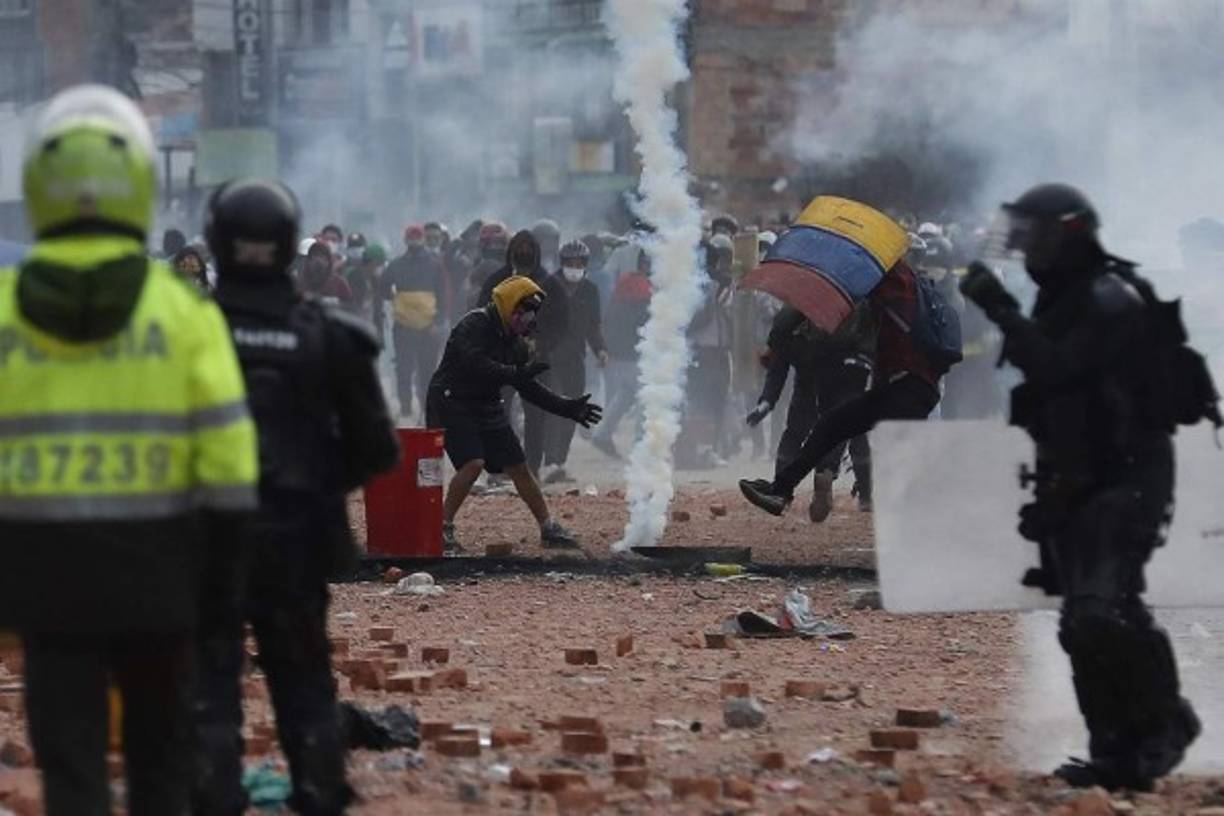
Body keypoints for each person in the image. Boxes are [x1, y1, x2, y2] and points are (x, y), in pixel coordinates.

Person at [0, 84, 258, 815]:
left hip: (42, 587)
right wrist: (222, 593)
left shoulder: (3, 312)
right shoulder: (182, 312)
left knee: (72, 766)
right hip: (161, 582)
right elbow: (231, 474)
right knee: (160, 764)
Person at [960, 183, 1202, 791]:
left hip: (1129, 474)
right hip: (1077, 476)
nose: (1027, 248)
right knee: (1081, 619)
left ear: (1069, 234)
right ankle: (1116, 752)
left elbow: (1058, 368)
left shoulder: (1108, 297)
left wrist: (1000, 309)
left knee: (1100, 611)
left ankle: (1167, 725)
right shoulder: (1064, 299)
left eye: (1037, 234)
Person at [194, 178, 400, 816]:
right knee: (306, 684)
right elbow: (378, 449)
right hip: (298, 543)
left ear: (217, 243)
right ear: (289, 245)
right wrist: (315, 485)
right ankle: (318, 796)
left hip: (206, 543)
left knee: (209, 688)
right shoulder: (330, 336)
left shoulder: (181, 334)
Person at [740, 258, 949, 514]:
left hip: (892, 385)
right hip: (919, 388)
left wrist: (779, 346)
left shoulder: (871, 292)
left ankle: (787, 489)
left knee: (832, 427)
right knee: (846, 428)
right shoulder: (921, 297)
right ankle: (860, 488)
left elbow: (784, 324)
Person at [428, 276, 600, 552]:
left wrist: (567, 407)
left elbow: (528, 387)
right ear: (507, 305)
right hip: (452, 402)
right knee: (473, 463)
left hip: (485, 404)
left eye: (530, 313)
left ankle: (548, 527)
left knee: (519, 467)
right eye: (522, 311)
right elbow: (476, 363)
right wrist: (515, 373)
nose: (526, 319)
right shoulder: (474, 324)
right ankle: (441, 528)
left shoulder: (516, 343)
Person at [747, 303, 875, 520]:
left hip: (810, 374)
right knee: (849, 430)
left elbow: (778, 361)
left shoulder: (792, 312)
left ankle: (780, 491)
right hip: (846, 372)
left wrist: (767, 401)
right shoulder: (858, 300)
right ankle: (851, 487)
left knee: (795, 432)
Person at [477, 230, 570, 472]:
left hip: (535, 360)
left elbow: (561, 321)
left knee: (536, 416)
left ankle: (531, 468)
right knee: (498, 413)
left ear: (537, 253)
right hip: (502, 360)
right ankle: (502, 466)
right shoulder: (497, 280)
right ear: (511, 252)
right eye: (520, 247)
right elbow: (481, 314)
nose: (524, 252)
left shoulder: (548, 283)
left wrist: (544, 344)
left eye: (529, 248)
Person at [540, 240, 608, 483]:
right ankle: (548, 463)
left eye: (579, 264)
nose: (575, 268)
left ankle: (560, 462)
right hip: (549, 358)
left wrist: (600, 349)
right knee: (555, 410)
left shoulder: (590, 291)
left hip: (575, 358)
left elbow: (593, 326)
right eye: (570, 263)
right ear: (562, 264)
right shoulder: (548, 286)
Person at [591, 248, 652, 459]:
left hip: (618, 351)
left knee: (625, 395)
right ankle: (640, 445)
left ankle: (602, 434)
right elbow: (644, 320)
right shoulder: (642, 286)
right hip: (633, 352)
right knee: (645, 396)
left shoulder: (624, 283)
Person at [381, 223, 445, 420]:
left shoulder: (435, 265)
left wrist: (438, 322)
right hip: (403, 326)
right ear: (406, 240)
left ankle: (426, 408)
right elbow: (384, 287)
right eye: (412, 236)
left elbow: (443, 295)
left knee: (427, 370)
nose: (415, 240)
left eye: (418, 236)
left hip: (428, 326)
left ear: (422, 239)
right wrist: (396, 301)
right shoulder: (396, 265)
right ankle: (406, 407)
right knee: (404, 369)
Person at [300, 240, 353, 308]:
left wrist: (335, 302)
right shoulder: (300, 283)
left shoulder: (339, 283)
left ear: (328, 261)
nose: (318, 260)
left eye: (322, 256)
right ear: (309, 261)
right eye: (314, 256)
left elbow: (351, 307)